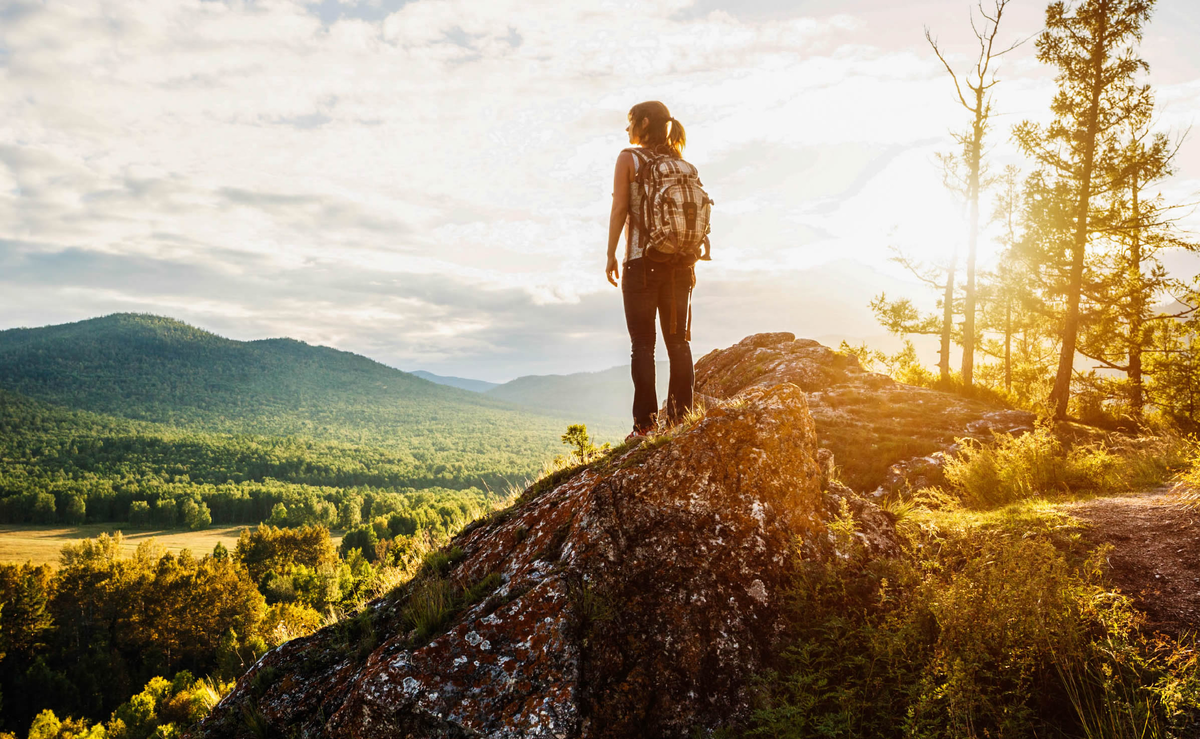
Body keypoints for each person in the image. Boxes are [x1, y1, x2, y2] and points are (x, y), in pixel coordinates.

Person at [605, 101, 695, 439]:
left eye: (629, 123)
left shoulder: (629, 158)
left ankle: (644, 427)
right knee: (679, 343)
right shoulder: (681, 163)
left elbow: (619, 209)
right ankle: (680, 421)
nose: (627, 131)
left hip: (642, 263)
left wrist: (611, 253)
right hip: (681, 264)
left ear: (643, 123)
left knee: (643, 344)